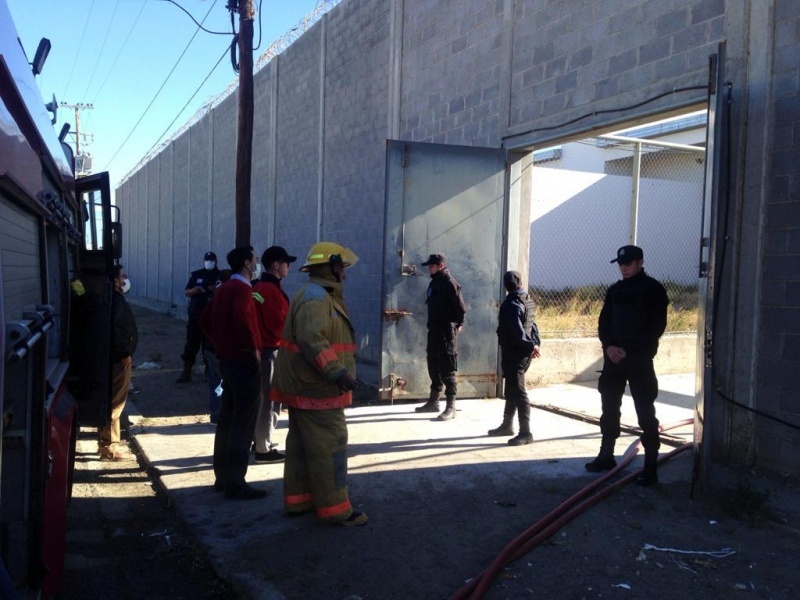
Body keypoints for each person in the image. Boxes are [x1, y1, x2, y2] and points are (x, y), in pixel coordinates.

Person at [271, 241, 367, 526]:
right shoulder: (316, 298)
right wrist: (337, 373)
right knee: (330, 446)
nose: (345, 275)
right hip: (318, 387)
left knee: (303, 449)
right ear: (331, 268)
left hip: (306, 387)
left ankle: (299, 502)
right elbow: (313, 340)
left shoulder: (317, 294)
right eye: (341, 268)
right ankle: (336, 509)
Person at [585, 245, 669, 486]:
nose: (624, 267)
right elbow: (604, 324)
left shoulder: (654, 290)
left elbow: (656, 328)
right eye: (621, 264)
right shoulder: (615, 291)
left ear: (640, 262)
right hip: (614, 360)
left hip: (639, 360)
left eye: (629, 263)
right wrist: (609, 347)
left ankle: (650, 465)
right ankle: (606, 455)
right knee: (609, 408)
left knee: (645, 412)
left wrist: (629, 350)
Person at [199, 246, 265, 500]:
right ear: (247, 264)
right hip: (243, 361)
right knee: (243, 422)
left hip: (227, 359)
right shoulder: (241, 289)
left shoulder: (223, 288)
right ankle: (236, 482)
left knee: (227, 418)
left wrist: (220, 342)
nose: (256, 263)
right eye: (255, 259)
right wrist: (252, 349)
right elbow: (242, 319)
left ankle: (223, 477)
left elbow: (204, 319)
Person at [252, 245, 297, 463]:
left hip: (264, 350)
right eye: (286, 263)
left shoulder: (259, 288)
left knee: (264, 398)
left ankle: (259, 440)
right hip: (271, 351)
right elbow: (277, 323)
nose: (289, 267)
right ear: (276, 265)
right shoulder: (269, 291)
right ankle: (263, 448)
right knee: (270, 400)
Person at [489, 270, 541, 446]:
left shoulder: (511, 303)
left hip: (515, 352)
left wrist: (530, 345)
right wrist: (534, 344)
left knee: (518, 391)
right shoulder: (527, 299)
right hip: (523, 352)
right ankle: (507, 425)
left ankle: (525, 432)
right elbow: (532, 325)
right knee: (511, 388)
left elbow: (517, 330)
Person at [413, 253, 466, 421]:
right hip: (434, 330)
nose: (430, 268)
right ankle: (434, 401)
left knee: (447, 368)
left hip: (446, 331)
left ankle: (451, 406)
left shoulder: (450, 283)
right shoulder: (434, 283)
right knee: (433, 364)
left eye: (432, 266)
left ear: (441, 266)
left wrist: (458, 323)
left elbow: (460, 308)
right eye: (429, 266)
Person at [99, 264, 138, 461]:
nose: (125, 280)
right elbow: (116, 330)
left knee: (112, 402)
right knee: (115, 404)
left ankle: (107, 444)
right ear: (115, 280)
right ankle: (110, 448)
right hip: (118, 360)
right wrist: (124, 353)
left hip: (116, 358)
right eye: (123, 276)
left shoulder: (112, 299)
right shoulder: (115, 302)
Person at [177, 251, 220, 383]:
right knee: (191, 343)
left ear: (215, 262)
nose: (209, 262)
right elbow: (186, 292)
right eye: (207, 260)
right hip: (196, 316)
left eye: (211, 260)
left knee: (210, 346)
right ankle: (186, 371)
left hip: (212, 317)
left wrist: (216, 290)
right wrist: (194, 291)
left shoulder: (220, 276)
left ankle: (209, 371)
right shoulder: (197, 275)